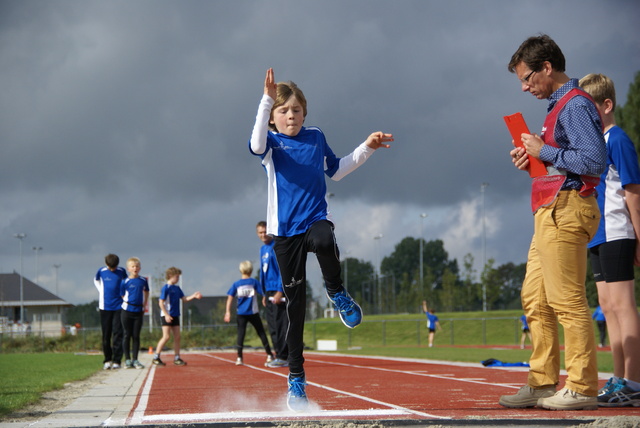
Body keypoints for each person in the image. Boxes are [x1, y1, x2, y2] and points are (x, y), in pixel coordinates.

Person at [248, 68, 393, 411]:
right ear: (273, 117)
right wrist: (266, 99)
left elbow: (337, 170)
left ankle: (337, 292)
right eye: (284, 111)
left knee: (326, 239)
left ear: (305, 113)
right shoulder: (269, 143)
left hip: (314, 219)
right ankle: (296, 379)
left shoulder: (314, 136)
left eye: (296, 110)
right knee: (295, 310)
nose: (291, 116)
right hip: (285, 235)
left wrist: (367, 148)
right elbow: (254, 143)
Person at [498, 34, 606, 411]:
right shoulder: (559, 106)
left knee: (567, 301)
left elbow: (594, 161)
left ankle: (582, 387)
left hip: (567, 209)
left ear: (548, 67)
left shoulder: (575, 104)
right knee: (535, 298)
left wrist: (542, 150)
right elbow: (568, 159)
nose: (525, 87)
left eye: (528, 78)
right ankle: (543, 382)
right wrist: (534, 161)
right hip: (550, 208)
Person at [580, 72, 640, 407]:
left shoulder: (617, 139)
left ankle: (634, 380)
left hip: (618, 231)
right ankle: (619, 378)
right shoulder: (595, 144)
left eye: (591, 110)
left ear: (607, 105)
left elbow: (633, 192)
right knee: (606, 307)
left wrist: (639, 237)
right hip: (597, 234)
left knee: (622, 305)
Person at [224, 260, 275, 366]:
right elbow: (263, 293)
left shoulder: (237, 284)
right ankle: (269, 354)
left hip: (241, 313)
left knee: (241, 334)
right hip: (252, 312)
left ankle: (239, 358)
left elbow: (229, 298)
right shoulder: (254, 282)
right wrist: (264, 298)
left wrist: (227, 312)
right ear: (251, 270)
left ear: (240, 270)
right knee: (261, 332)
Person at [152, 267, 202, 366]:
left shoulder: (177, 288)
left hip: (175, 315)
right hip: (167, 315)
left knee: (177, 337)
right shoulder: (166, 288)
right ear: (170, 276)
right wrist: (166, 314)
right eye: (177, 277)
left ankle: (177, 357)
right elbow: (161, 303)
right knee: (166, 336)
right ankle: (156, 357)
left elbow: (184, 299)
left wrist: (194, 296)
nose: (178, 279)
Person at [257, 220, 289, 368]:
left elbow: (283, 269)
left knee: (280, 323)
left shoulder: (276, 246)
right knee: (272, 326)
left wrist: (280, 291)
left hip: (278, 290)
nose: (263, 235)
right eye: (260, 232)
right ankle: (278, 354)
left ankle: (283, 355)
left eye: (265, 232)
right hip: (268, 291)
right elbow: (263, 273)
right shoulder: (263, 250)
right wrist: (264, 293)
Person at [94, 254, 128, 370]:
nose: (112, 270)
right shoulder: (101, 271)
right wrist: (101, 291)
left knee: (118, 333)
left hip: (119, 306)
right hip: (105, 306)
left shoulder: (122, 271)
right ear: (106, 264)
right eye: (110, 267)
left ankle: (117, 360)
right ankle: (107, 360)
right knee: (106, 334)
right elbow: (96, 280)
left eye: (114, 267)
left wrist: (124, 295)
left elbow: (126, 282)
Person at [120, 257, 149, 369]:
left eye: (137, 266)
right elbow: (122, 294)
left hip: (138, 311)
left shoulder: (143, 280)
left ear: (140, 268)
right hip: (127, 311)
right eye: (133, 266)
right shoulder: (125, 281)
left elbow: (146, 291)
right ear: (128, 269)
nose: (135, 268)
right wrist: (128, 303)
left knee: (136, 336)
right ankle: (127, 359)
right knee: (127, 334)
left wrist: (144, 304)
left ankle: (135, 359)